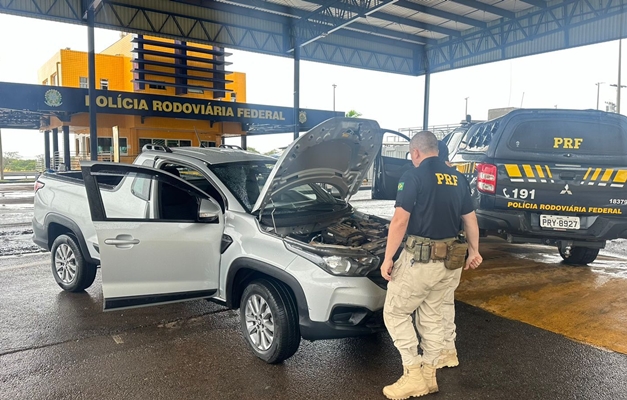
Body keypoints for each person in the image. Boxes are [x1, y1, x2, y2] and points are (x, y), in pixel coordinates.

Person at [380, 131, 482, 399]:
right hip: (451, 263)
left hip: (421, 262)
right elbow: (470, 220)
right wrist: (474, 251)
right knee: (433, 315)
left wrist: (388, 257)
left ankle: (412, 373)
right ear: (436, 150)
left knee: (395, 313)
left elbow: (400, 221)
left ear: (415, 153)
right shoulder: (458, 178)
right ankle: (429, 376)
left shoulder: (413, 175)